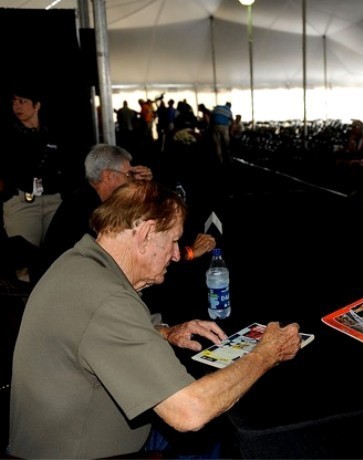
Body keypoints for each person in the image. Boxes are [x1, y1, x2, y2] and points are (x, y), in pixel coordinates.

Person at [8, 180, 303, 458]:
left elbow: (91, 329)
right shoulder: (107, 299)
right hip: (92, 452)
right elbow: (190, 412)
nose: (177, 255)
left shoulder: (79, 263)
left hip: (55, 440)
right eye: (174, 241)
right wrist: (266, 353)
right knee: (220, 438)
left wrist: (163, 331)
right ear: (146, 233)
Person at [40, 144, 215, 277]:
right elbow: (140, 261)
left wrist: (146, 185)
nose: (131, 180)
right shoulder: (88, 210)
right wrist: (190, 253)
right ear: (108, 175)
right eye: (128, 174)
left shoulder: (85, 197)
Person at [0, 86, 76, 283]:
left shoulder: (53, 132)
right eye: (14, 102)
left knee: (59, 255)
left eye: (22, 101)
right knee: (23, 261)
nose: (17, 106)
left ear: (37, 105)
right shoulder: (8, 134)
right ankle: (27, 307)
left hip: (53, 200)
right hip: (23, 201)